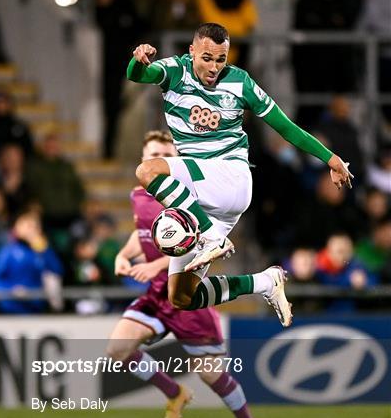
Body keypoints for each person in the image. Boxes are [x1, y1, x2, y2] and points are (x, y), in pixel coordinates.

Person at [127, 23, 353, 329]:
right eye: (207, 58)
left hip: (229, 176)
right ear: (192, 51)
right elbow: (138, 75)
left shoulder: (240, 82)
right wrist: (137, 59)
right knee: (182, 297)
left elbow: (285, 127)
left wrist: (331, 158)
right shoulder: (175, 71)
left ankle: (209, 237)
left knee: (148, 169)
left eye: (220, 60)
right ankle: (263, 282)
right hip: (205, 197)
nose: (214, 67)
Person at [108, 130, 263, 418]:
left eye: (164, 154)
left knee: (211, 375)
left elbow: (196, 243)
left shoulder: (190, 194)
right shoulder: (140, 193)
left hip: (184, 294)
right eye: (151, 154)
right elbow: (145, 233)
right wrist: (125, 254)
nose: (156, 160)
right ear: (143, 158)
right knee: (117, 351)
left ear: (175, 159)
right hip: (156, 295)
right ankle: (174, 392)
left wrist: (158, 266)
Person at [92, 0, 142, 158]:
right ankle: (105, 149)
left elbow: (136, 21)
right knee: (106, 103)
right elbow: (95, 18)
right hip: (98, 56)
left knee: (116, 104)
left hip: (118, 57)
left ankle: (110, 150)